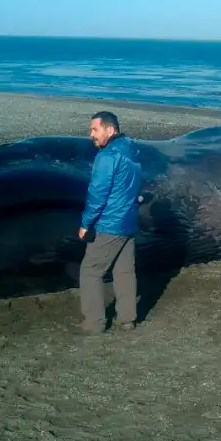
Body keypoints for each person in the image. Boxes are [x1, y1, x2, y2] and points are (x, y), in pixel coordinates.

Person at [76, 111, 144, 334]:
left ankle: (94, 323)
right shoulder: (131, 151)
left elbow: (98, 194)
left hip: (110, 224)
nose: (91, 135)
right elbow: (133, 187)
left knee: (91, 271)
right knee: (124, 271)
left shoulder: (107, 157)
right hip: (128, 221)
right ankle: (127, 319)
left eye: (95, 129)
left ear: (110, 129)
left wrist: (86, 223)